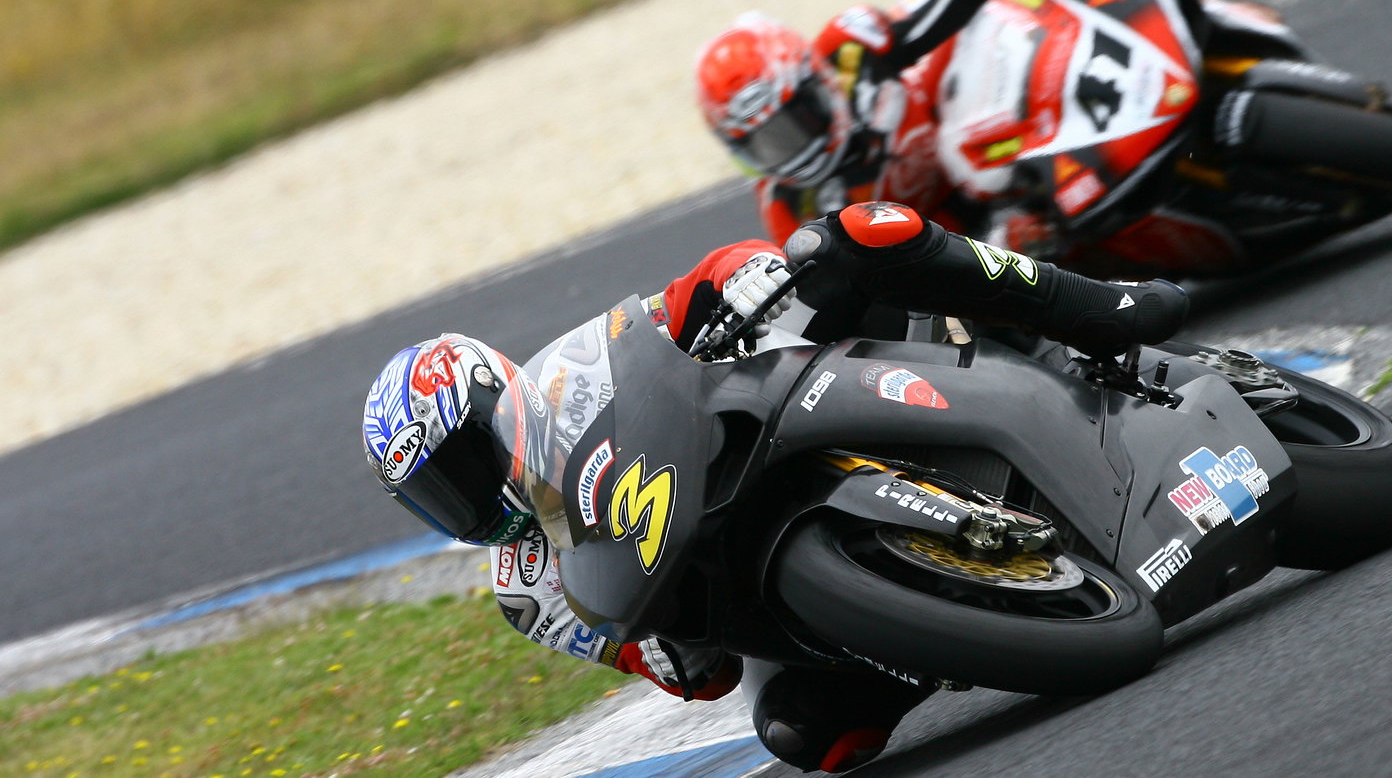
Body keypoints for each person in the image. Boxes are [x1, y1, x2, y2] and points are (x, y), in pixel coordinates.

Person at [359, 201, 1186, 772]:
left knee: (848, 240)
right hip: (746, 574)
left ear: (496, 401)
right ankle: (947, 617)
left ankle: (1093, 307)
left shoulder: (570, 380)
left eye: (462, 462)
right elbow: (701, 675)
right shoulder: (529, 592)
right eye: (439, 495)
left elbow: (687, 295)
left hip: (775, 407)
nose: (465, 501)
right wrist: (667, 654)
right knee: (808, 735)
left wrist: (749, 279)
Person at [694, 0, 1142, 247]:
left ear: (817, 81)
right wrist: (993, 245)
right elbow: (872, 300)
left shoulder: (850, 49)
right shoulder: (794, 213)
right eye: (767, 144)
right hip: (972, 246)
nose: (794, 148)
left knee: (994, 36)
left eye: (797, 120)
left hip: (1003, 138)